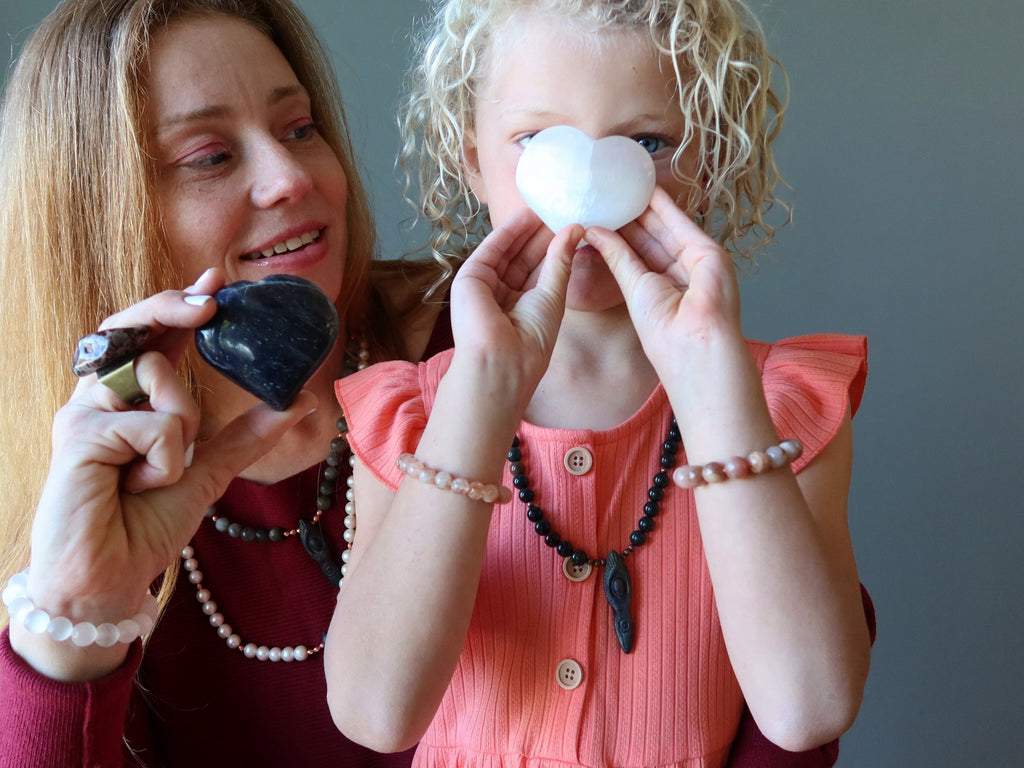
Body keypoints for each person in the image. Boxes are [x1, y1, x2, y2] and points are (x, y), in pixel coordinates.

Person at [324, 1, 873, 767]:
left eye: (647, 142)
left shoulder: (783, 406)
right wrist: (481, 394)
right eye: (539, 141)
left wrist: (713, 387)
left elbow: (807, 706)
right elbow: (376, 712)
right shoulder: (411, 417)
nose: (586, 183)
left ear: (710, 161)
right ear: (471, 158)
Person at [0, 1, 448, 766]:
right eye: (209, 156)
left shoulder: (485, 349)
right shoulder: (56, 501)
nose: (290, 179)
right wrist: (76, 618)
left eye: (299, 129)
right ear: (94, 215)